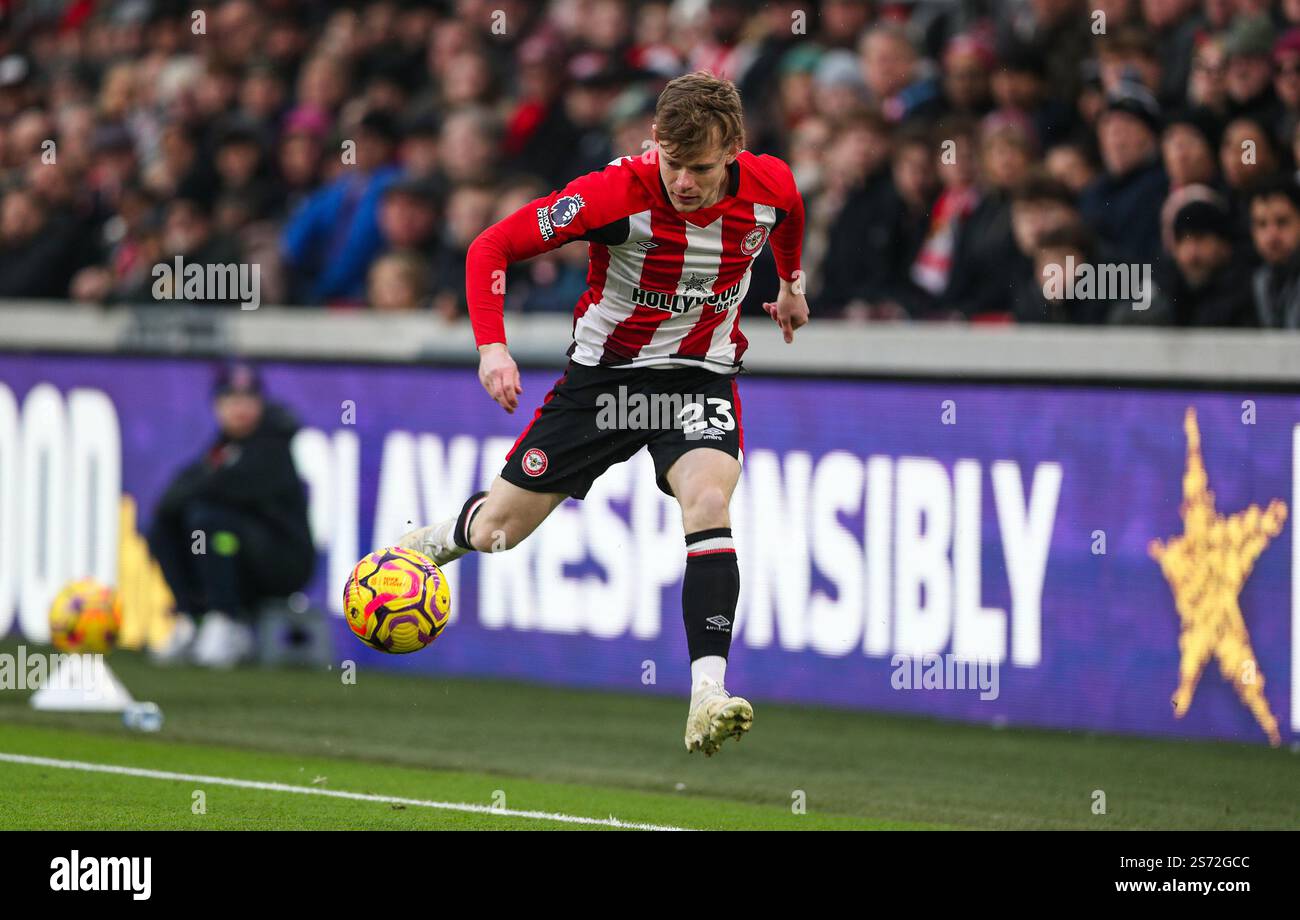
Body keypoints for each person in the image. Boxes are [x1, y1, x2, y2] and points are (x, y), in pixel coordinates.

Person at [397, 71, 808, 756]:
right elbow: (491, 247)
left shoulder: (769, 185)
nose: (683, 181)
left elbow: (790, 215)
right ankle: (431, 543)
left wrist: (791, 285)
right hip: (605, 383)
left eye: (700, 168)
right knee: (501, 531)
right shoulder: (613, 194)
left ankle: (707, 692)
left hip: (697, 379)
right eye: (672, 163)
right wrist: (492, 347)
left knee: (708, 498)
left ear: (734, 148)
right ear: (654, 143)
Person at [149, 363, 315, 668]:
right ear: (217, 405)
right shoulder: (222, 448)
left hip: (282, 561)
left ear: (260, 403)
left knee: (210, 523)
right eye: (231, 399)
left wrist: (199, 488)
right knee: (163, 527)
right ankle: (191, 617)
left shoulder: (273, 444)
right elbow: (170, 501)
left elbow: (228, 486)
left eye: (248, 398)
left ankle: (227, 621)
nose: (240, 407)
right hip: (236, 556)